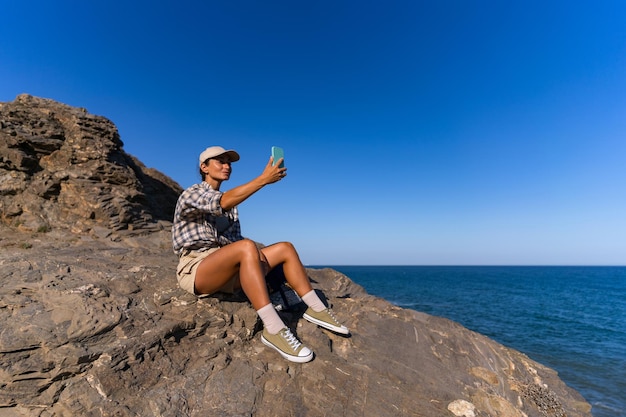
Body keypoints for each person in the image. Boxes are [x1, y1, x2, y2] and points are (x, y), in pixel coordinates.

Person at [172, 146, 349, 363]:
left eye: (229, 162)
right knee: (247, 246)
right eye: (220, 161)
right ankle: (273, 330)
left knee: (285, 248)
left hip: (226, 268)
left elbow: (234, 241)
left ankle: (316, 308)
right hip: (197, 268)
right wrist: (263, 179)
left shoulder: (233, 209)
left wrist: (257, 259)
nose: (227, 166)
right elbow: (221, 202)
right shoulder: (192, 193)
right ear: (204, 167)